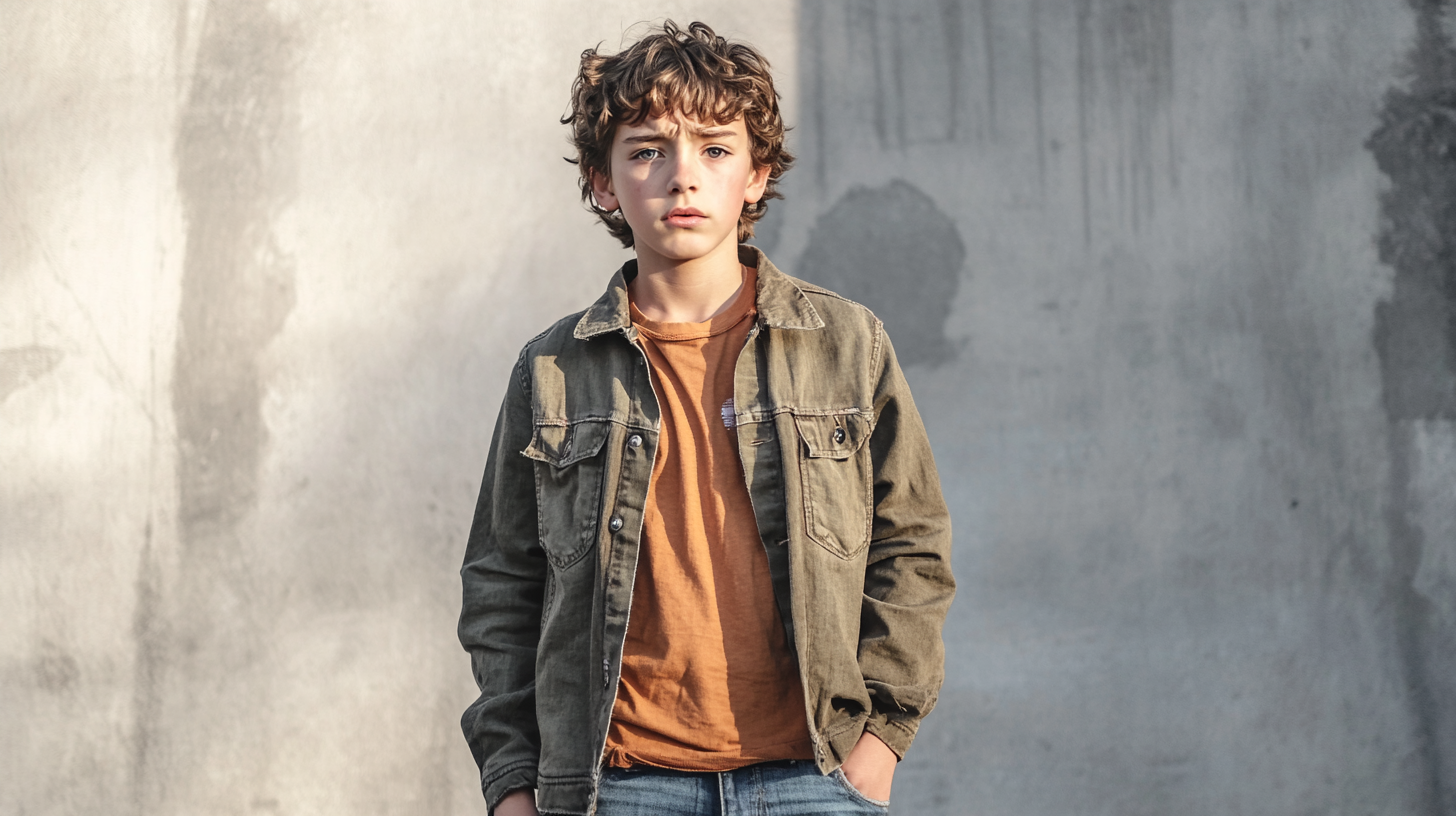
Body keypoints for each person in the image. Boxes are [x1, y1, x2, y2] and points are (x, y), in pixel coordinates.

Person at [458, 20, 955, 816]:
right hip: (618, 785)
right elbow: (501, 585)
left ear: (756, 176)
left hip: (812, 777)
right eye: (648, 149)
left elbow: (912, 544)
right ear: (602, 182)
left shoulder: (848, 346)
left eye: (716, 150)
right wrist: (514, 785)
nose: (682, 177)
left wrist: (878, 745)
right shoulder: (552, 369)